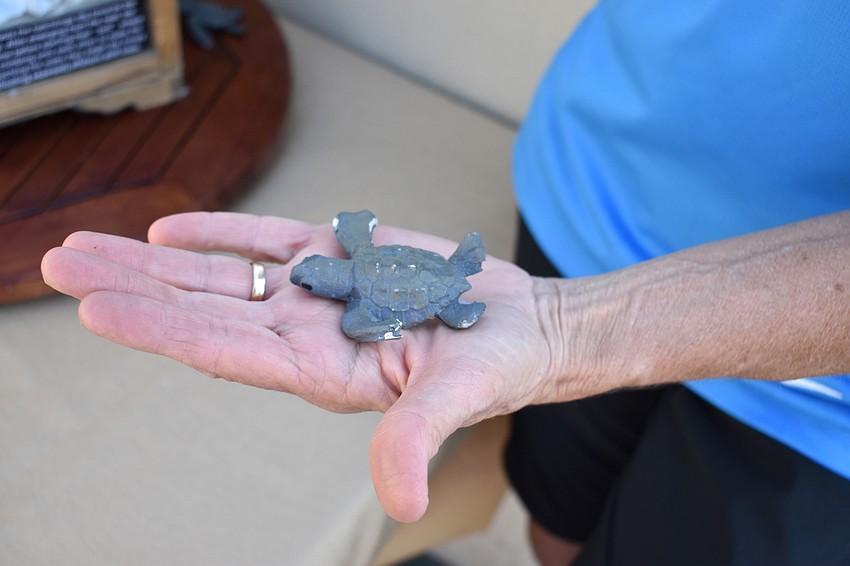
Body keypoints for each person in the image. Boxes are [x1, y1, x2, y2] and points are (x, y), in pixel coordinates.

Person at [41, 2, 850, 565]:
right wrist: (560, 319)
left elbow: (364, 306)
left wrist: (562, 329)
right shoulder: (354, 265)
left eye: (318, 274)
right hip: (595, 192)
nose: (315, 273)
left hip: (823, 397)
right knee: (557, 523)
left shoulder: (359, 295)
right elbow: (352, 243)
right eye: (319, 273)